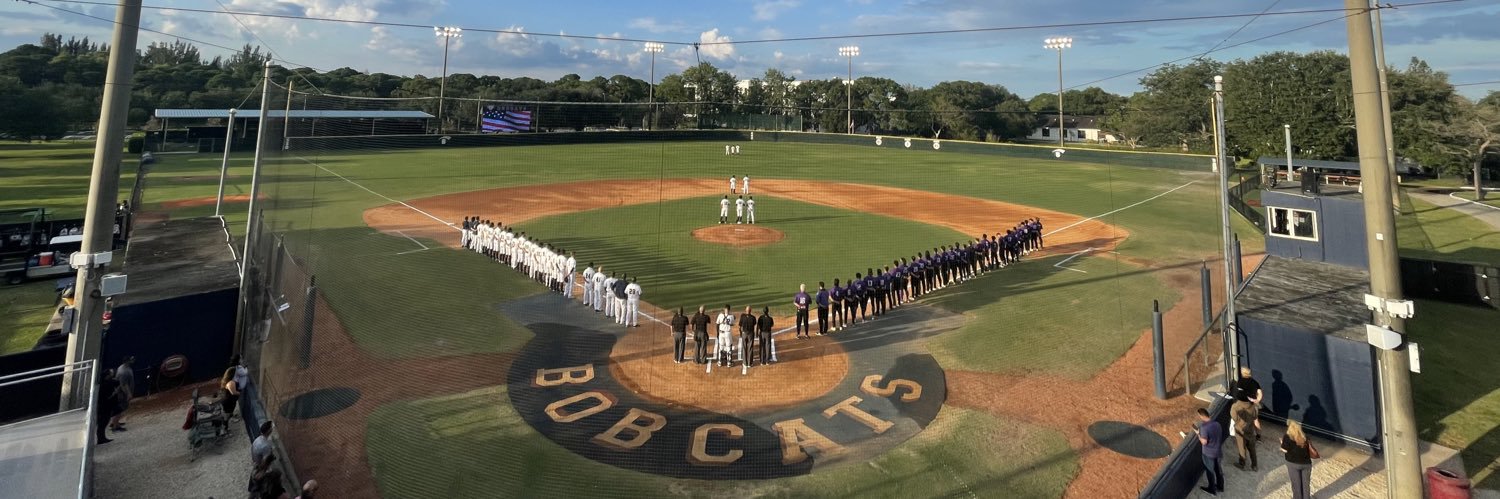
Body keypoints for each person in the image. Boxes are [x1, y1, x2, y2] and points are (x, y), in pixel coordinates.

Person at [1281, 420, 1317, 499]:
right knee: (1306, 485)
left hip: (1292, 463)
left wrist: (1281, 442)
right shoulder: (1305, 437)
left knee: (1296, 484)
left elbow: (1284, 450)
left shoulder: (1287, 437)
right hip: (1306, 464)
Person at [1196, 407, 1225, 495]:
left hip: (1208, 454)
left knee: (1210, 471)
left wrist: (1198, 434)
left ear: (1201, 416)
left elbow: (1204, 442)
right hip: (1218, 452)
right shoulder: (1217, 424)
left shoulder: (1204, 427)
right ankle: (1220, 487)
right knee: (1218, 470)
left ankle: (1212, 489)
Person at [1233, 367, 1264, 435]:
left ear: (1243, 373)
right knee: (1256, 421)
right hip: (1252, 404)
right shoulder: (1255, 382)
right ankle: (1258, 436)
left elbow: (1239, 393)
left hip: (1243, 403)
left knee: (1243, 420)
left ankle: (1244, 434)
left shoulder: (1240, 381)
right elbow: (1260, 393)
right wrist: (1257, 400)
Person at [1232, 396, 1259, 471]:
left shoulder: (1237, 407)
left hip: (1241, 430)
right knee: (1252, 449)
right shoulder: (1254, 408)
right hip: (1250, 430)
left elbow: (1234, 417)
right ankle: (1254, 465)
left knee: (1242, 448)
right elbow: (1255, 419)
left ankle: (1242, 464)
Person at [110, 356, 135, 432]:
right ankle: (115, 426)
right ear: (127, 361)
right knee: (120, 409)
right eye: (131, 360)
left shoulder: (124, 368)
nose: (133, 361)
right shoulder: (123, 372)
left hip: (120, 392)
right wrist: (128, 394)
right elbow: (123, 385)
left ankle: (114, 422)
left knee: (119, 409)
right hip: (121, 393)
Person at [96, 368, 119, 444]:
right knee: (103, 421)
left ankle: (101, 437)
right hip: (105, 406)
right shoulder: (106, 384)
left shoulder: (104, 383)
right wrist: (114, 394)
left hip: (104, 405)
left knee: (103, 421)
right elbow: (107, 396)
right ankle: (101, 438)